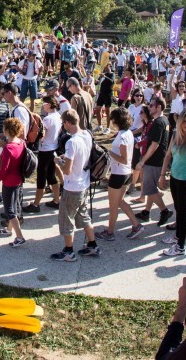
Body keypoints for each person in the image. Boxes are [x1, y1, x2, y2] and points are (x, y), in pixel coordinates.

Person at [51, 109, 99, 261]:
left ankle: (68, 251)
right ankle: (92, 245)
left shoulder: (71, 142)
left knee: (67, 219)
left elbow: (67, 170)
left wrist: (58, 161)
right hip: (84, 183)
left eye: (63, 123)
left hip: (72, 186)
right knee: (83, 215)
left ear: (67, 123)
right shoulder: (86, 135)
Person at [95, 107, 144, 241]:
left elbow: (123, 158)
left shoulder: (122, 136)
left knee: (113, 205)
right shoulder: (127, 133)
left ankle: (110, 232)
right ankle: (136, 225)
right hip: (126, 173)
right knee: (120, 202)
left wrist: (108, 152)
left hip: (119, 174)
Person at [159, 109, 186, 257]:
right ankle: (177, 236)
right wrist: (162, 174)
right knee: (178, 209)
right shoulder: (176, 134)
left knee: (183, 213)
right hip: (174, 177)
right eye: (184, 121)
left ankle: (181, 246)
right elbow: (168, 155)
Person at [135, 95, 173, 227]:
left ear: (159, 107)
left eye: (151, 105)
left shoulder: (158, 123)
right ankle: (146, 211)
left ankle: (165, 210)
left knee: (150, 189)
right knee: (151, 187)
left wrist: (142, 161)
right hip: (158, 159)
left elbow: (154, 144)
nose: (149, 107)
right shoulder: (165, 120)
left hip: (154, 160)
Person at [24, 94, 62, 213]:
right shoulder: (58, 116)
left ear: (49, 105)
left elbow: (41, 134)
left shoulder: (47, 119)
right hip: (53, 149)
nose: (42, 105)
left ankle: (36, 204)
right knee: (51, 176)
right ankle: (57, 200)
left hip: (45, 150)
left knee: (41, 178)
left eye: (44, 103)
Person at [0, 118, 27, 247]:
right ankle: (8, 230)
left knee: (9, 210)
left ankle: (19, 237)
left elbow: (4, 169)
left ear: (7, 130)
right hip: (19, 179)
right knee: (14, 206)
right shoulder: (21, 143)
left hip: (9, 181)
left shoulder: (8, 148)